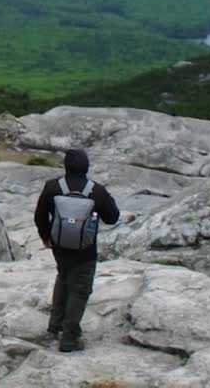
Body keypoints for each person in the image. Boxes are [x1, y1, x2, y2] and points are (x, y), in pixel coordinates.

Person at [33, 148, 120, 353]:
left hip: (60, 247)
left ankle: (54, 329)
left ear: (65, 166)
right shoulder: (96, 190)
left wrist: (46, 238)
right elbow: (113, 217)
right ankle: (69, 339)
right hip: (85, 250)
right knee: (79, 290)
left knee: (63, 280)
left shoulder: (53, 187)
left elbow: (39, 216)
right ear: (87, 167)